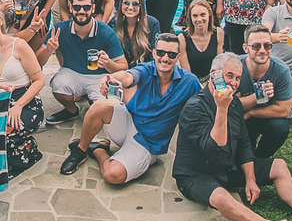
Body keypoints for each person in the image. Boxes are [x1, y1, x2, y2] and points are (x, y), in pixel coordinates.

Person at [173, 52, 292, 221]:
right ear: (214, 74)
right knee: (220, 198)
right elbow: (214, 150)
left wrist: (250, 179)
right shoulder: (194, 107)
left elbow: (243, 142)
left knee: (279, 166)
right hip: (196, 174)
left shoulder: (234, 103)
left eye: (238, 78)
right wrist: (221, 109)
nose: (234, 83)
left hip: (227, 167)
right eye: (229, 76)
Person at [63, 31, 200, 183]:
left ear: (178, 57)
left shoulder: (189, 82)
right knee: (100, 105)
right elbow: (128, 76)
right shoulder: (146, 69)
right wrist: (111, 78)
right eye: (161, 53)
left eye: (171, 54)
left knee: (112, 175)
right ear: (154, 54)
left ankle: (98, 150)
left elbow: (203, 106)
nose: (165, 58)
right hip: (129, 123)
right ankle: (81, 150)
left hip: (147, 143)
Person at [0, 1, 45, 177]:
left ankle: (28, 154)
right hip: (1, 102)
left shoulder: (18, 45)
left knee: (6, 134)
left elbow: (39, 80)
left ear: (1, 20)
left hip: (26, 101)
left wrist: (18, 105)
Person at [38, 0, 127, 124]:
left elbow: (123, 67)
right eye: (77, 7)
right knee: (58, 84)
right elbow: (38, 62)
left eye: (86, 7)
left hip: (99, 76)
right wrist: (48, 50)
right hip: (72, 72)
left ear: (93, 8)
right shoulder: (60, 29)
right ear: (70, 8)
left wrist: (108, 63)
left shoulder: (106, 32)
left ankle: (93, 102)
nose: (81, 11)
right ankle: (72, 110)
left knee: (104, 109)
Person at [236, 25, 292, 159]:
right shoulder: (235, 66)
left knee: (281, 126)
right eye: (256, 46)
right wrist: (258, 97)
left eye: (267, 46)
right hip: (239, 117)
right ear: (245, 48)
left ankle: (259, 159)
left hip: (263, 116)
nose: (262, 50)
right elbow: (230, 104)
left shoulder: (281, 70)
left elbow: (284, 110)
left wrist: (251, 112)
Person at [178, 0, 221, 81]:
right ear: (190, 17)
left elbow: (219, 66)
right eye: (195, 16)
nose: (199, 19)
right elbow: (187, 74)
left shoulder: (219, 33)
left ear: (209, 14)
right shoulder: (182, 38)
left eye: (203, 15)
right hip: (192, 81)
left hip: (212, 80)